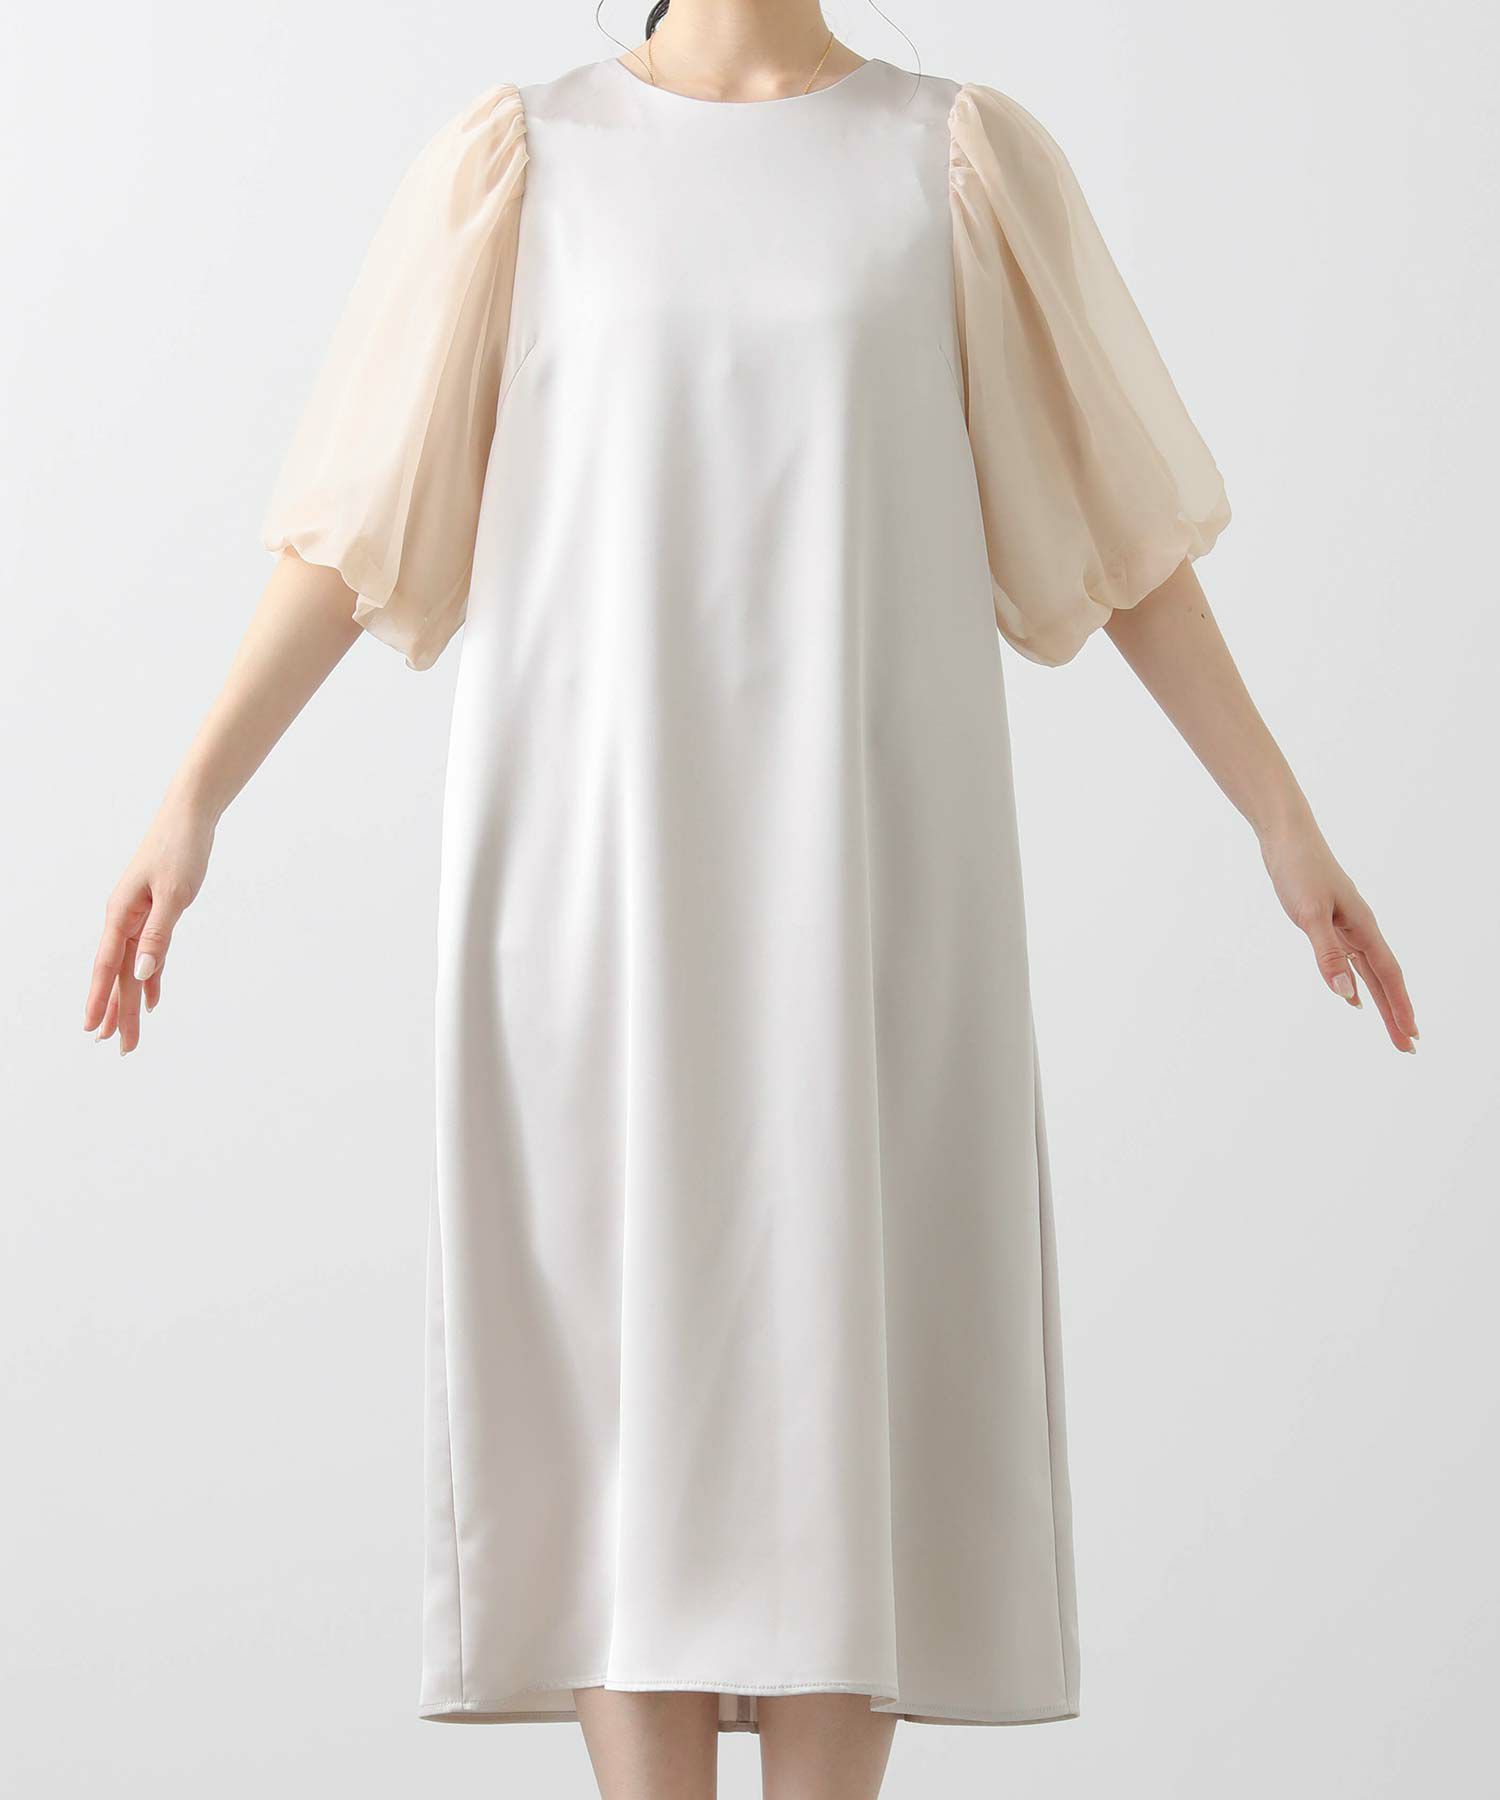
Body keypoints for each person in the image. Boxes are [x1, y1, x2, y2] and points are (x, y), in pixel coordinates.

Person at [83, 4, 1417, 1796]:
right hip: (594, 880)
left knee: (842, 1383)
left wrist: (1280, 816)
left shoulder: (952, 162)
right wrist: (195, 793)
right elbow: (354, 533)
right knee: (617, 1406)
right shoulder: (523, 166)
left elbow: (1120, 542)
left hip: (868, 888)